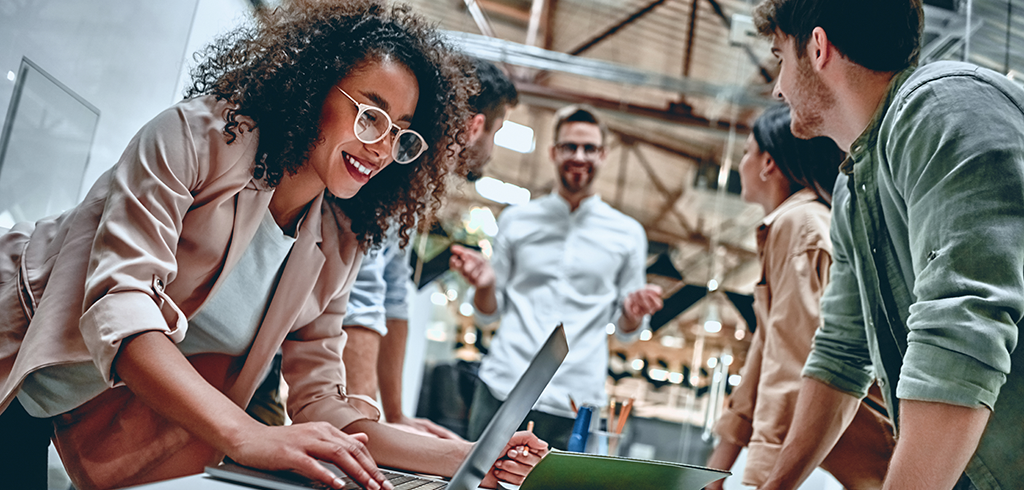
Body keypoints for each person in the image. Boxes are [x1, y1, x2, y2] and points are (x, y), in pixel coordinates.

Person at [0, 2, 546, 490]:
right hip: (14, 358)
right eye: (370, 115)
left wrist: (468, 455)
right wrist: (245, 435)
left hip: (82, 408)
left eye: (400, 132)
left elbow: (323, 403)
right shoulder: (195, 139)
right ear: (312, 87)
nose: (381, 148)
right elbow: (121, 306)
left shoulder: (338, 239)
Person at [751, 1, 1024, 489]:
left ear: (817, 48)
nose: (778, 88)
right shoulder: (855, 185)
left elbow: (960, 329)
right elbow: (839, 353)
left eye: (779, 58)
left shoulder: (943, 107)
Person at [449, 104, 664, 450]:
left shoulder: (628, 234)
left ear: (604, 155)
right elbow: (488, 312)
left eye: (589, 148)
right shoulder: (517, 220)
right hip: (504, 386)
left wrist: (633, 312)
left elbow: (627, 332)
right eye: (569, 146)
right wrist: (486, 285)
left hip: (576, 400)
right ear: (553, 152)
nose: (579, 156)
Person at [703, 104, 893, 490]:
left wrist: (767, 477)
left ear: (768, 162)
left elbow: (792, 362)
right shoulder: (797, 223)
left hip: (827, 459)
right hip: (827, 455)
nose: (741, 163)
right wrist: (717, 469)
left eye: (744, 152)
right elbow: (765, 351)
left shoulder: (798, 225)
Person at [335, 58, 519, 437]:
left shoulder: (417, 184)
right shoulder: (395, 166)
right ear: (476, 126)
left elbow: (394, 293)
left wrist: (396, 415)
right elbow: (364, 295)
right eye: (497, 133)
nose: (491, 148)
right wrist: (369, 430)